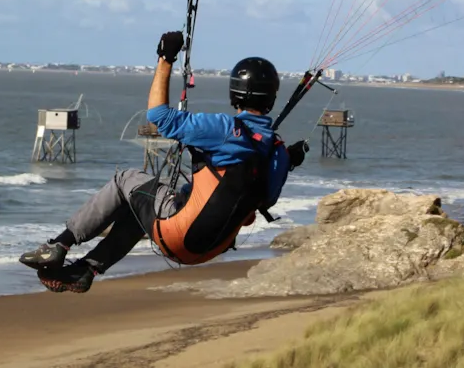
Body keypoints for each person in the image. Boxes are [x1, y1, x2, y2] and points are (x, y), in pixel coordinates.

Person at [18, 30, 310, 293]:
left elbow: (158, 117)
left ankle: (59, 245)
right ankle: (86, 269)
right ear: (271, 99)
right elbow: (256, 207)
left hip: (180, 234)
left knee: (125, 180)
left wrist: (165, 58)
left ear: (234, 95)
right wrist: (287, 161)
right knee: (141, 201)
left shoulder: (224, 129)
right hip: (208, 250)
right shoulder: (278, 153)